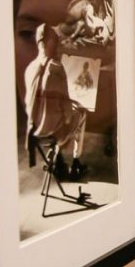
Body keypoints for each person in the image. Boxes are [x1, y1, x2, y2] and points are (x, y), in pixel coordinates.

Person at [24, 23, 87, 179]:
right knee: (82, 113)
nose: (57, 46)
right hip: (51, 132)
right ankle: (75, 161)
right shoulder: (56, 68)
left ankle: (58, 160)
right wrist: (75, 106)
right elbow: (66, 111)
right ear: (50, 43)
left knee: (57, 114)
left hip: (34, 132)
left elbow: (31, 103)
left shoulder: (30, 68)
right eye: (55, 42)